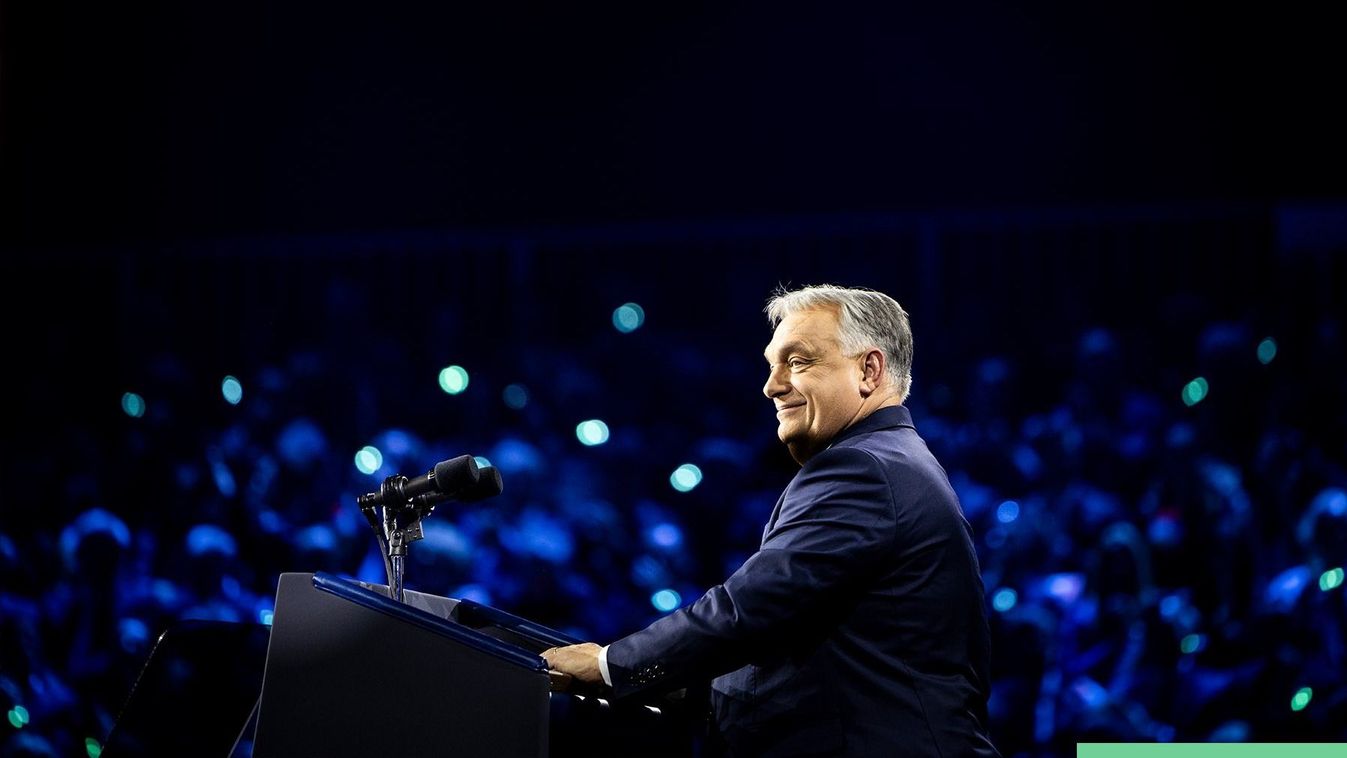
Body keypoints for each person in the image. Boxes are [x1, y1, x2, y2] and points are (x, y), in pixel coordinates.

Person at [544, 284, 999, 757]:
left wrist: (611, 665)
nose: (771, 386)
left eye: (797, 362)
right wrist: (680, 684)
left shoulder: (864, 468)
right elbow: (802, 649)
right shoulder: (889, 460)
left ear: (869, 370)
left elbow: (750, 608)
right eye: (771, 365)